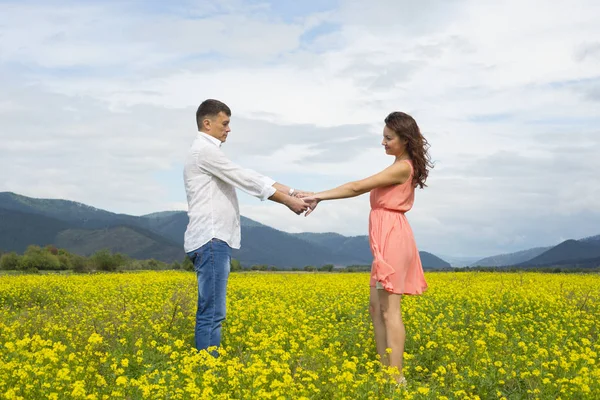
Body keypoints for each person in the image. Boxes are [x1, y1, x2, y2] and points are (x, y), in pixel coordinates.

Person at [301, 111, 433, 385]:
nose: (382, 142)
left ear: (405, 140)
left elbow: (356, 187)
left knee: (389, 310)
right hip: (384, 239)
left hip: (394, 239)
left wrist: (318, 196)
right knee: (376, 308)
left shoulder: (402, 167)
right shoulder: (399, 164)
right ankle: (386, 372)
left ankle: (396, 379)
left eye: (388, 138)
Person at [183, 99, 308, 355]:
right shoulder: (203, 152)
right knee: (213, 311)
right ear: (207, 124)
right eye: (225, 123)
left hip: (214, 240)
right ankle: (207, 367)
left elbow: (250, 175)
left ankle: (206, 363)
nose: (228, 129)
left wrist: (295, 191)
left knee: (213, 309)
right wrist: (287, 201)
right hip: (211, 239)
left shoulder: (209, 153)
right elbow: (244, 179)